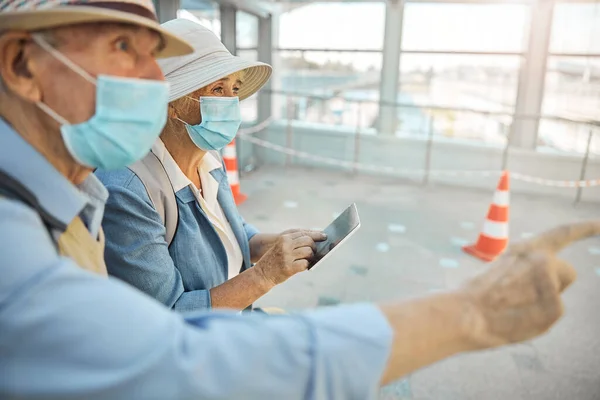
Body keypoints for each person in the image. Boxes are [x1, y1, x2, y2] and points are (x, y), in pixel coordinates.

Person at [0, 2, 598, 399]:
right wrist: (471, 313)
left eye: (154, 58)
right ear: (22, 64)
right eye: (123, 48)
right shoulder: (57, 223)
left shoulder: (101, 182)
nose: (152, 80)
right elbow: (171, 354)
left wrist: (276, 245)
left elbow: (232, 233)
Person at [96, 19, 323, 312]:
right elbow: (170, 314)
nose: (232, 102)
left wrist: (278, 245)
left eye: (235, 88)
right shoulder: (126, 191)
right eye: (218, 89)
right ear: (170, 103)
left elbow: (230, 229)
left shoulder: (208, 157)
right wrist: (265, 274)